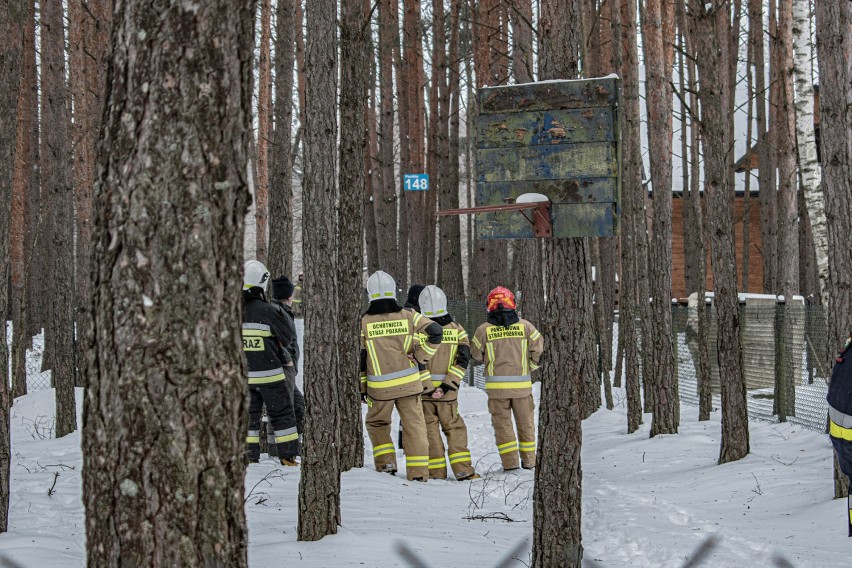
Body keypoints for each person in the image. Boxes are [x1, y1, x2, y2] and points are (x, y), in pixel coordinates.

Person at [360, 270, 443, 481]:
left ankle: (386, 464)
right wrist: (421, 356)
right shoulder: (409, 316)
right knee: (414, 426)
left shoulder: (363, 322)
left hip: (379, 389)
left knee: (378, 424)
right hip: (409, 385)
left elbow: (361, 358)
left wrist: (363, 388)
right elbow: (436, 332)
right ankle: (418, 473)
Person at [470, 286, 543, 471]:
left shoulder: (483, 330)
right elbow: (539, 351)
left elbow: (476, 355)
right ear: (513, 304)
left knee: (503, 427)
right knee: (526, 425)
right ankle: (530, 462)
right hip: (522, 389)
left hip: (497, 391)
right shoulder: (526, 326)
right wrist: (530, 367)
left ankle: (510, 464)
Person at [418, 285, 479, 481]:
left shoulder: (418, 330)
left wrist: (429, 387)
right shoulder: (457, 330)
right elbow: (463, 359)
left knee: (430, 433)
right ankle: (463, 471)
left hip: (424, 395)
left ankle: (436, 473)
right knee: (455, 431)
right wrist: (446, 386)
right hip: (449, 395)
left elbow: (415, 361)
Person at [242, 260, 299, 466]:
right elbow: (288, 336)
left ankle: (249, 456)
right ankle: (288, 456)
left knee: (248, 419)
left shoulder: (232, 311)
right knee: (283, 414)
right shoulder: (268, 311)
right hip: (271, 374)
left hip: (245, 377)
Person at [269, 276, 306, 441]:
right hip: (283, 367)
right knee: (285, 408)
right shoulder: (277, 312)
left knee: (298, 404)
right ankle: (280, 448)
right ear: (288, 294)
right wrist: (287, 358)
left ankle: (296, 442)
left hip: (289, 368)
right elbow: (274, 340)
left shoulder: (284, 310)